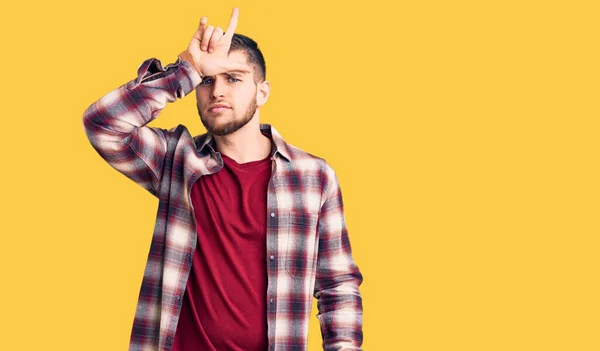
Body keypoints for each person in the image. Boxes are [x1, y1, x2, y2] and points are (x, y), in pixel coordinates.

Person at [82, 7, 363, 351]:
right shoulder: (175, 158)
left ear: (262, 92)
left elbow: (338, 284)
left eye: (233, 78)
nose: (217, 91)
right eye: (207, 81)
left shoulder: (313, 177)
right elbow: (103, 124)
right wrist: (188, 70)